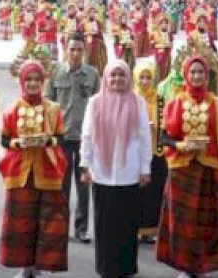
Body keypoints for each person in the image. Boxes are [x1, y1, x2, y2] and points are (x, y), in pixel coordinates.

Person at [156, 55, 218, 277]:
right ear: (185, 74)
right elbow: (163, 139)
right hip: (182, 172)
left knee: (210, 220)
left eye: (200, 72)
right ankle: (185, 267)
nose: (196, 76)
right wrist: (180, 144)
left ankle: (203, 265)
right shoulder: (174, 104)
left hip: (209, 171)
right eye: (192, 72)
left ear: (207, 75)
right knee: (184, 224)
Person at [79, 61, 152, 278]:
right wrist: (85, 166)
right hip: (102, 174)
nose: (117, 79)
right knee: (104, 225)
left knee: (127, 225)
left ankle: (126, 268)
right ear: (106, 78)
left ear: (129, 78)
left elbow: (144, 138)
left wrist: (145, 168)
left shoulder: (138, 103)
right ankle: (106, 268)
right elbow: (87, 136)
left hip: (129, 174)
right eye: (113, 75)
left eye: (121, 75)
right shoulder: (94, 103)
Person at [0, 60, 70, 277]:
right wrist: (18, 143)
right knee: (22, 224)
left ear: (43, 81)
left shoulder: (53, 109)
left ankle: (39, 267)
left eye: (37, 79)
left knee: (46, 222)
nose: (33, 84)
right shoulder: (12, 110)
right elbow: (4, 139)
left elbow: (60, 137)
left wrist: (48, 142)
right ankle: (24, 267)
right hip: (20, 174)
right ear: (21, 81)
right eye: (28, 79)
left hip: (47, 172)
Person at [44, 34, 100, 243]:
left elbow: (99, 105)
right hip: (63, 136)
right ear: (65, 50)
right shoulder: (56, 73)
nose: (76, 53)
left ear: (84, 51)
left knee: (84, 184)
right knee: (62, 185)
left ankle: (82, 228)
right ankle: (61, 227)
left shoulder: (93, 74)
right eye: (72, 49)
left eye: (79, 49)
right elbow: (48, 103)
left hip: (86, 138)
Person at [133, 61, 168, 244]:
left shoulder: (160, 100)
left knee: (155, 193)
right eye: (142, 77)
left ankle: (151, 230)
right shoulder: (131, 99)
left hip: (157, 153)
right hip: (137, 154)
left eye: (148, 78)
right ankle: (136, 229)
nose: (145, 81)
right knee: (138, 193)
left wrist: (157, 128)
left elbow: (168, 125)